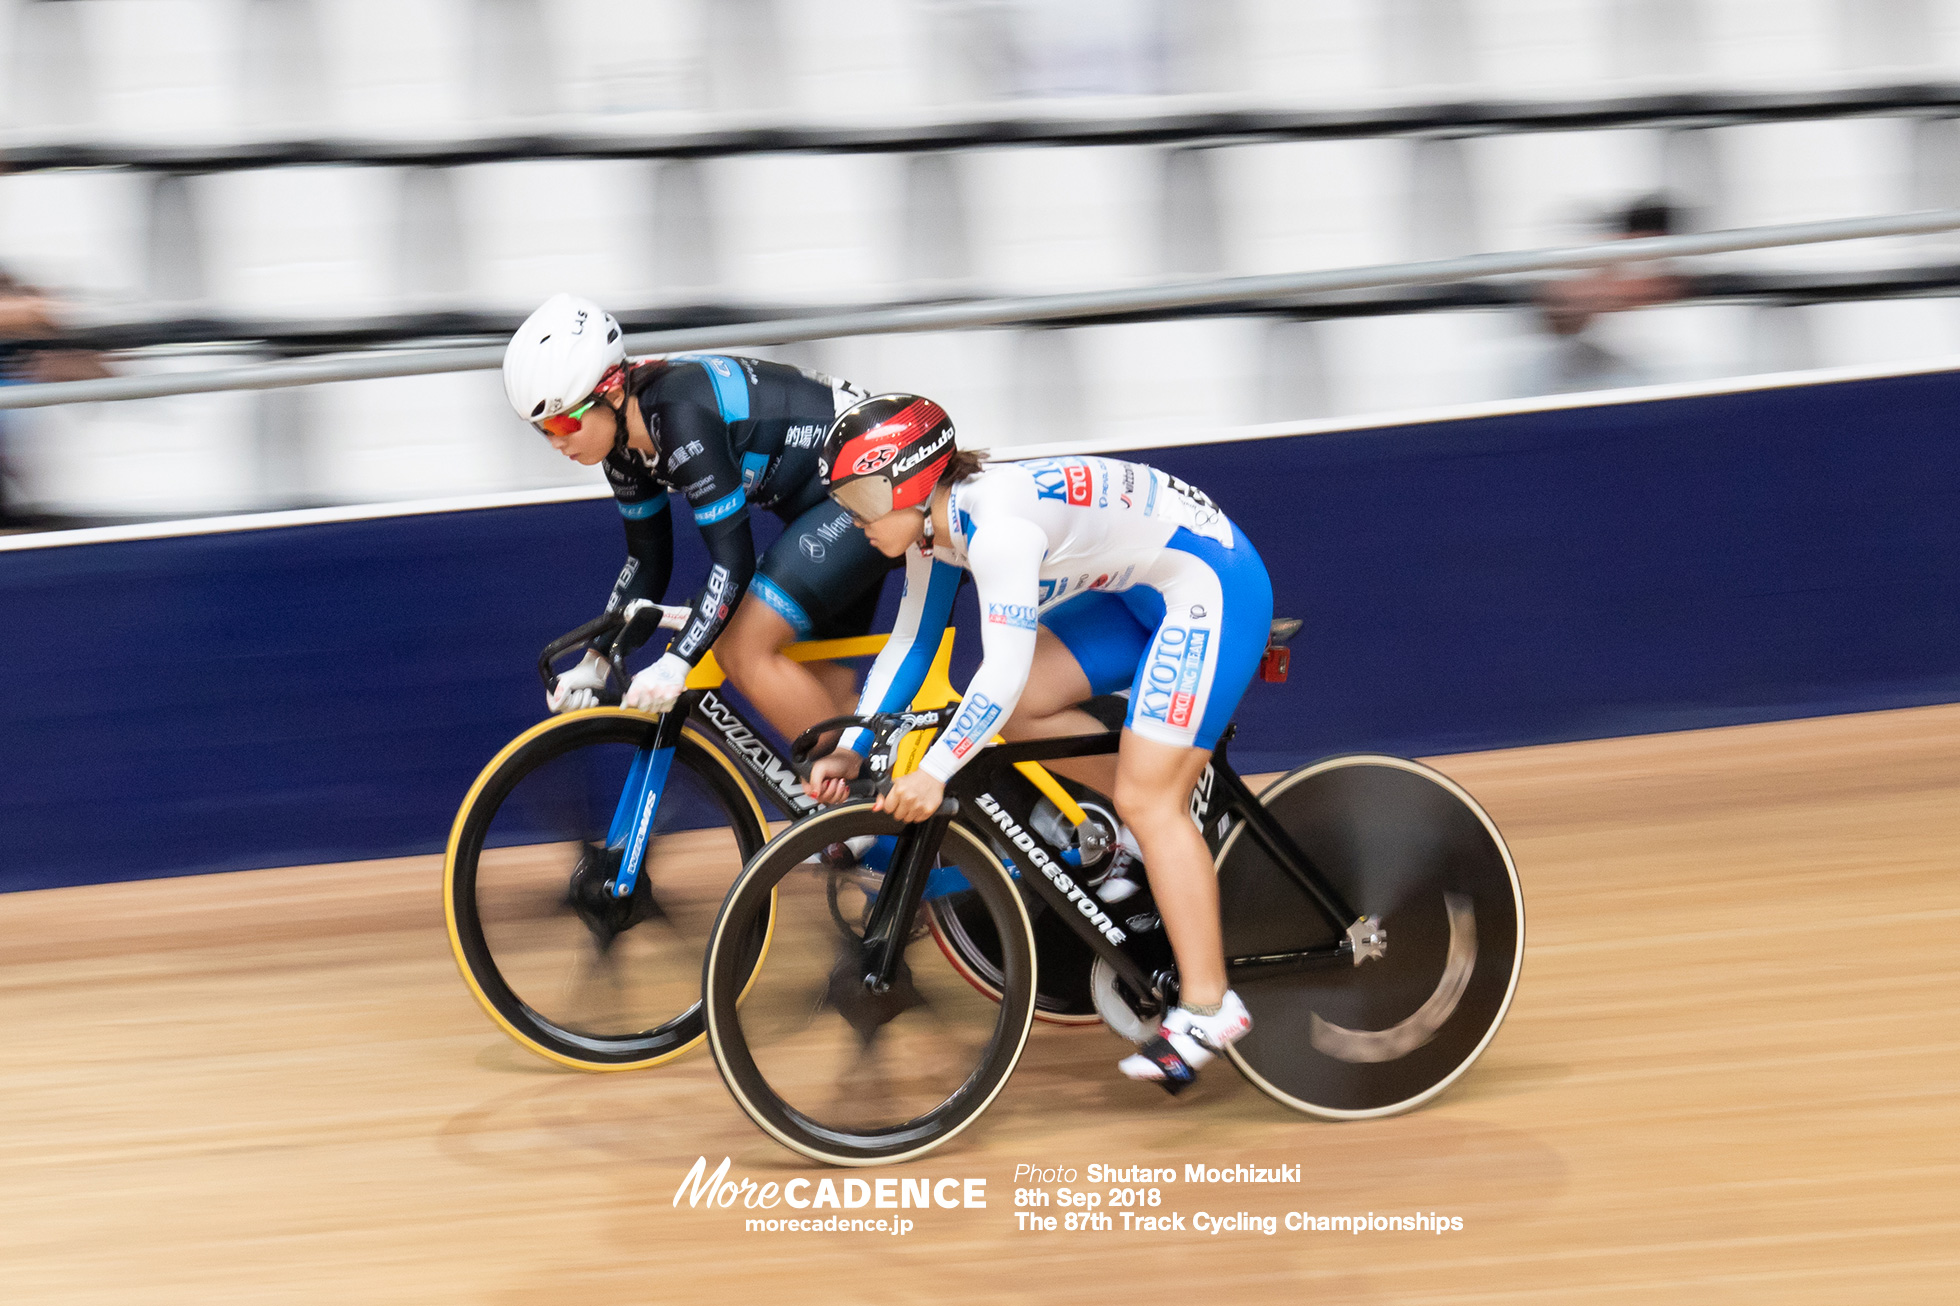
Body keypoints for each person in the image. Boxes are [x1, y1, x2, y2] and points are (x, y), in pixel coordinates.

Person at [803, 394, 1274, 1090]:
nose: (853, 517)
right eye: (844, 497)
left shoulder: (996, 531)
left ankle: (1208, 1006)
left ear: (908, 481)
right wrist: (851, 745)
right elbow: (913, 643)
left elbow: (1000, 669)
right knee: (1020, 711)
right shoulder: (937, 527)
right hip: (1144, 584)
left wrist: (934, 772)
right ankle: (1158, 824)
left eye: (862, 495)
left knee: (1148, 797)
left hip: (1207, 585)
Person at [502, 293, 891, 739]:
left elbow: (733, 562)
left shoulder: (680, 415)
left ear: (610, 391)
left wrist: (676, 662)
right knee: (830, 717)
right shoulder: (623, 445)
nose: (556, 442)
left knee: (741, 647)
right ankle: (873, 797)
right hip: (826, 504)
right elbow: (648, 562)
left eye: (563, 424)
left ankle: (871, 784)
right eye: (542, 429)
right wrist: (597, 662)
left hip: (873, 489)